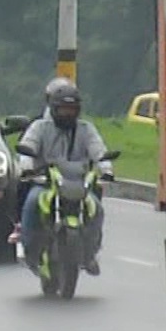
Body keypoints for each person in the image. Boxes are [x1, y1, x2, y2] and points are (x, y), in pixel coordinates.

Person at [14, 78, 112, 275]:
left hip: (79, 185)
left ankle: (90, 253)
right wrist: (27, 168)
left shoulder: (86, 129)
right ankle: (29, 247)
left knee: (97, 208)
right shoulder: (39, 127)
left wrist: (107, 169)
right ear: (52, 107)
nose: (68, 114)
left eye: (72, 109)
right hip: (46, 183)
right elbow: (27, 149)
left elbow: (98, 150)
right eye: (63, 109)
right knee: (33, 202)